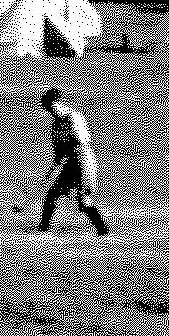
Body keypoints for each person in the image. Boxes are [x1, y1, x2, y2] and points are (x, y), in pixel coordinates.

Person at [37, 88, 111, 236]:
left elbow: (80, 142)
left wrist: (66, 154)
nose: (50, 111)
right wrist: (51, 171)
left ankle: (103, 231)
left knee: (83, 201)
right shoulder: (55, 126)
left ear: (57, 103)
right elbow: (59, 154)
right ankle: (42, 228)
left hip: (84, 162)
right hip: (71, 164)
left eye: (51, 107)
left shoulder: (73, 117)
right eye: (48, 109)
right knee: (52, 194)